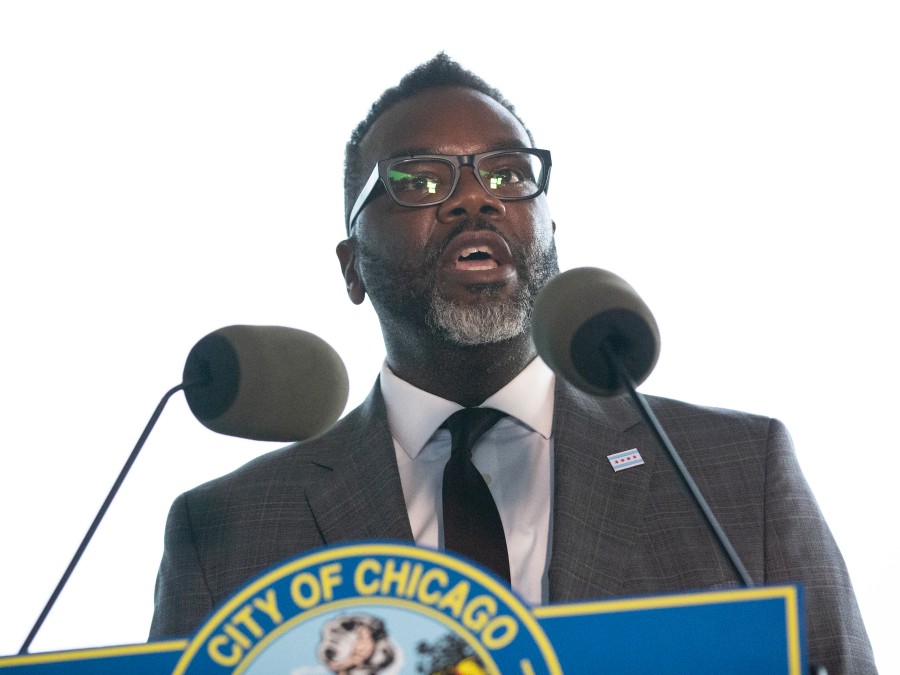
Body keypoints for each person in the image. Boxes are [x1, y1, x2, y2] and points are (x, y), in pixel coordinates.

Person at [150, 54, 876, 673]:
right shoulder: (225, 530)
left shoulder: (737, 473)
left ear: (551, 233)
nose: (476, 199)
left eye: (508, 174)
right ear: (351, 269)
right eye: (422, 181)